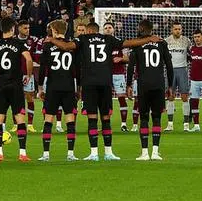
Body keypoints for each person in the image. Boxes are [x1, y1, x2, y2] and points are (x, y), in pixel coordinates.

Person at [43, 20, 160, 161]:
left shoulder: (83, 39)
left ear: (88, 31)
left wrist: (51, 39)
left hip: (89, 84)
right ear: (97, 30)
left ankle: (93, 153)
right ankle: (109, 152)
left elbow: (66, 46)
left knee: (92, 118)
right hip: (105, 83)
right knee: (105, 118)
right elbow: (128, 43)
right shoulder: (108, 38)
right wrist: (148, 39)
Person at [0, 16, 33, 162]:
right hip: (16, 85)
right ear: (13, 29)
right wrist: (28, 75)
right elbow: (29, 59)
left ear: (1, 29)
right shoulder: (19, 44)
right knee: (19, 119)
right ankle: (22, 153)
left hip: (2, 86)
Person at [126, 20, 174, 161]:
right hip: (159, 84)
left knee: (144, 117)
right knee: (157, 117)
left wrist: (128, 84)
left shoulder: (137, 44)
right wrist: (170, 86)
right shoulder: (161, 43)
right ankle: (155, 152)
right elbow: (169, 65)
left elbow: (131, 66)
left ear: (141, 29)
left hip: (143, 84)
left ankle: (144, 153)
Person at [37, 19, 79, 161]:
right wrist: (78, 88)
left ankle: (46, 154)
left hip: (53, 87)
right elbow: (77, 69)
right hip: (68, 87)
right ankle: (71, 154)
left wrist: (40, 87)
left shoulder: (48, 46)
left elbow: (43, 68)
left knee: (48, 120)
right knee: (70, 120)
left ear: (54, 31)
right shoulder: (72, 46)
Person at [103, 22, 132, 131]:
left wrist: (121, 58)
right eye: (106, 28)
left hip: (118, 74)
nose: (108, 29)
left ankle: (123, 124)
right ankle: (106, 125)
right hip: (105, 75)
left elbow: (128, 58)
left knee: (121, 98)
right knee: (104, 100)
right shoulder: (101, 44)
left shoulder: (120, 42)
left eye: (110, 27)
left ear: (113, 29)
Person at [166, 22, 191, 131]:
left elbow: (191, 54)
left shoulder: (186, 41)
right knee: (170, 96)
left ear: (182, 30)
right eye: (175, 29)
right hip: (170, 71)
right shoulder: (166, 41)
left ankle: (186, 125)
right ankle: (170, 124)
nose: (177, 31)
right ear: (172, 30)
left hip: (182, 70)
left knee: (184, 97)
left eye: (179, 29)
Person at [17, 21, 41, 126]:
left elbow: (37, 56)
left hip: (28, 73)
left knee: (30, 97)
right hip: (16, 74)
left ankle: (30, 124)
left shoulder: (34, 40)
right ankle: (16, 124)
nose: (27, 30)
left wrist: (29, 74)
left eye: (28, 28)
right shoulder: (14, 40)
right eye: (25, 28)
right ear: (19, 28)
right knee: (17, 98)